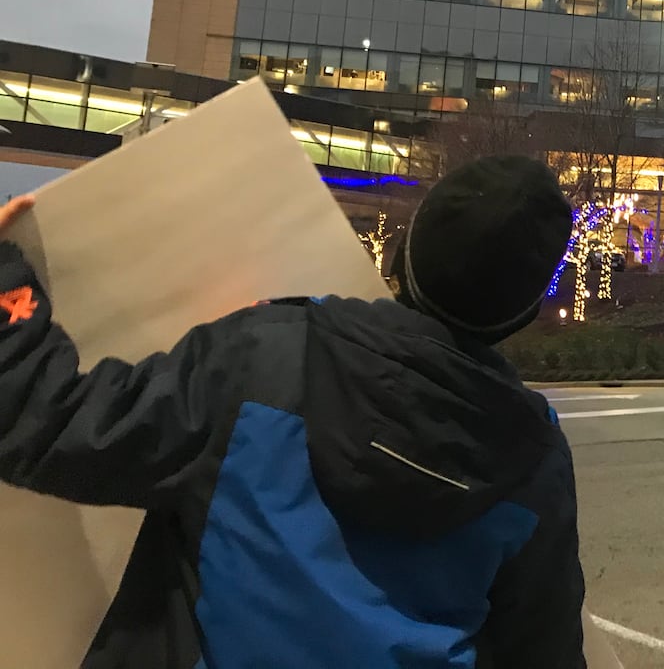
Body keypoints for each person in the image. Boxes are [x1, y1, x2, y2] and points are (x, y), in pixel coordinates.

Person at [0, 155, 587, 668]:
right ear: (519, 315)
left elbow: (46, 422)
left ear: (405, 254)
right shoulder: (534, 464)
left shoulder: (264, 358)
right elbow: (543, 652)